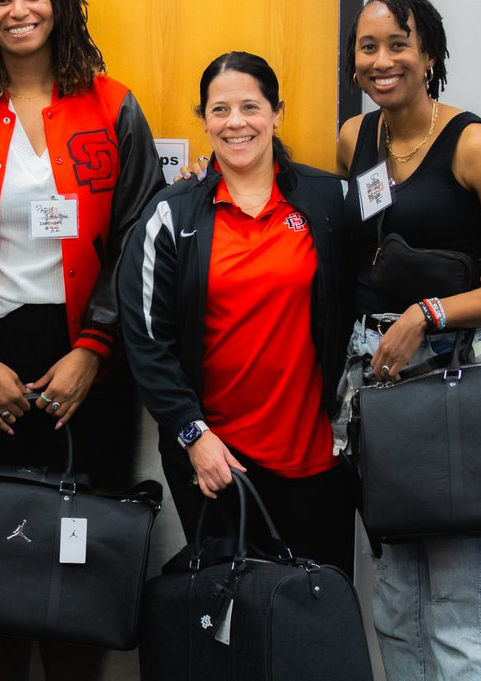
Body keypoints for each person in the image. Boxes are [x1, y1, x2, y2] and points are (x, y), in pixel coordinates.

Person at [0, 0, 164, 680]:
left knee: (78, 556)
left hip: (88, 357)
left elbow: (139, 234)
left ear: (58, 3)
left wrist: (94, 348)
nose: (17, 9)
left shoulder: (113, 104)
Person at [338, 0, 481, 681]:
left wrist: (428, 314)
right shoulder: (354, 139)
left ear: (428, 53)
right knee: (396, 597)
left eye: (398, 43)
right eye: (368, 46)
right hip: (375, 378)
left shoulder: (474, 145)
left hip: (452, 373)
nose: (382, 59)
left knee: (455, 594)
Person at [119, 51, 357, 576]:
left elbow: (382, 281)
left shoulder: (331, 201)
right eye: (220, 109)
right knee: (229, 632)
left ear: (277, 113)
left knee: (315, 621)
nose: (236, 122)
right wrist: (192, 435)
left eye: (250, 106)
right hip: (217, 464)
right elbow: (146, 344)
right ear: (203, 119)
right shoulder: (171, 215)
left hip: (319, 462)